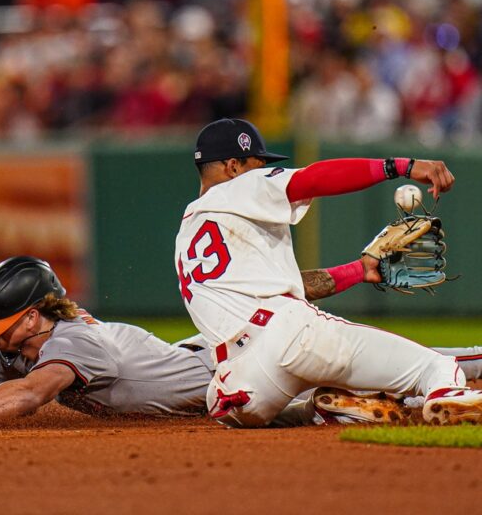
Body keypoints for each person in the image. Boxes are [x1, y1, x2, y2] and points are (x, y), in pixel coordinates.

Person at [0, 256, 480, 431]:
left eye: (3, 324)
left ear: (36, 314)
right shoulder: (22, 345)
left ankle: (459, 364)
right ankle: (330, 407)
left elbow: (30, 398)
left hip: (240, 364)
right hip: (211, 367)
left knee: (390, 364)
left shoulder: (73, 343)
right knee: (325, 401)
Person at [175, 117, 482, 427]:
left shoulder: (188, 233)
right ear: (233, 166)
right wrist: (401, 166)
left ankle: (317, 410)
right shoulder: (241, 186)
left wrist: (359, 270)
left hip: (240, 382)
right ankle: (449, 395)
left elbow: (287, 285)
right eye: (259, 163)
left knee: (233, 406)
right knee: (437, 368)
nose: (264, 171)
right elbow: (314, 179)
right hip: (293, 335)